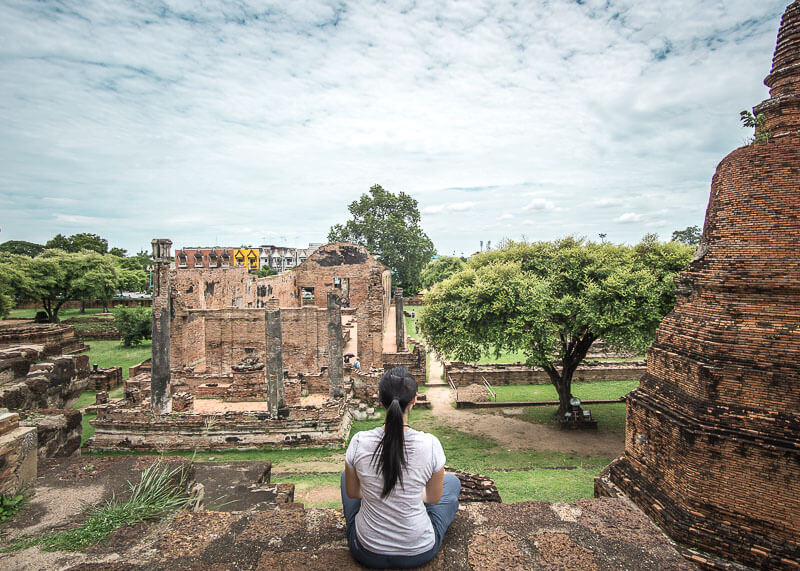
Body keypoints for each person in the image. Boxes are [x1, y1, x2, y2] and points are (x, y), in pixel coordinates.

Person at [341, 367, 460, 568]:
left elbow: (353, 493)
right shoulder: (430, 445)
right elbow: (432, 498)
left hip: (367, 550)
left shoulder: (359, 442)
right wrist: (408, 493)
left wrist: (379, 491)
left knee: (347, 478)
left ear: (380, 398)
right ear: (414, 399)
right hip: (418, 551)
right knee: (452, 483)